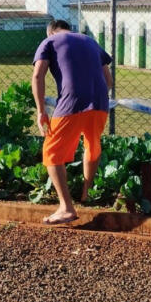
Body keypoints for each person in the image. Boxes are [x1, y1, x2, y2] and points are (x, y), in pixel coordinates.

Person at [32, 19, 113, 224]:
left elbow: (37, 76)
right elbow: (109, 81)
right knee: (91, 144)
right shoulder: (91, 41)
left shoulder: (49, 41)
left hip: (72, 101)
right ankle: (86, 194)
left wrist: (41, 111)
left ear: (51, 32)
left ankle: (66, 208)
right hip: (100, 101)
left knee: (51, 153)